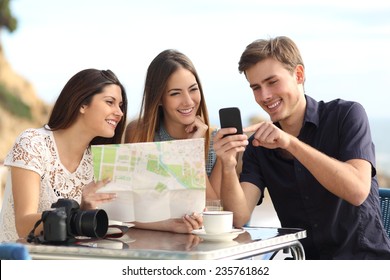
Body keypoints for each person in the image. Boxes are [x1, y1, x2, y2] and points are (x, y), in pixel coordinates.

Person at [213, 36, 390, 259]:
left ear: (298, 74)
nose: (265, 96)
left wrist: (290, 143)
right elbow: (238, 218)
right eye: (256, 87)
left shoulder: (346, 115)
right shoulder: (259, 146)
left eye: (272, 82)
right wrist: (228, 165)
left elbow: (357, 191)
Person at [0, 68, 201, 243]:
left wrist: (171, 225)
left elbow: (123, 216)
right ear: (82, 104)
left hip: (67, 260)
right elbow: (24, 223)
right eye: (110, 102)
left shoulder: (98, 159)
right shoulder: (33, 143)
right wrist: (81, 214)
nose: (120, 113)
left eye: (120, 105)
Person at [125, 49, 221, 200]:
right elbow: (136, 201)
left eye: (193, 89)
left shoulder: (216, 141)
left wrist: (192, 152)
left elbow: (214, 207)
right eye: (175, 93)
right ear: (159, 99)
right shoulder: (139, 133)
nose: (188, 101)